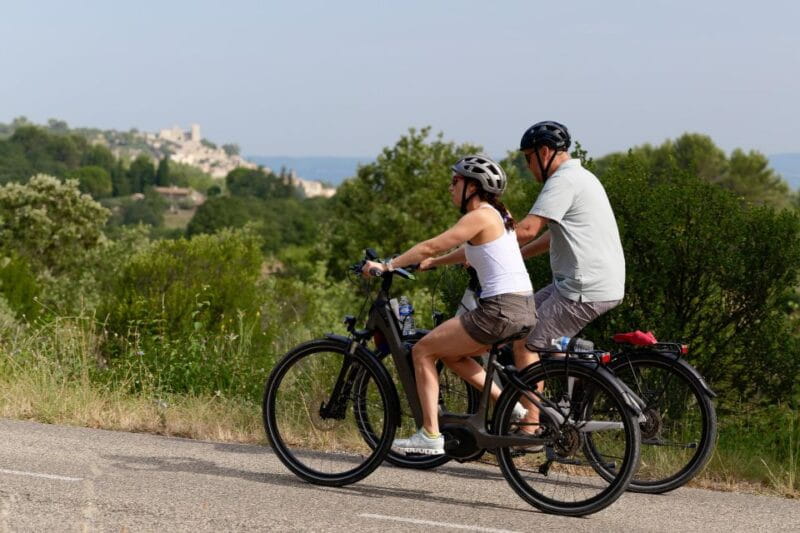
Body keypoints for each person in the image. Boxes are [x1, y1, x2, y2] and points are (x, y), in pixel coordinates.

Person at [363, 154, 536, 455]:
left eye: (455, 180)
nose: (450, 186)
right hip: (523, 307)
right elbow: (469, 252)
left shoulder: (479, 216)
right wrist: (434, 263)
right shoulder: (499, 214)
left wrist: (388, 265)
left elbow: (431, 244)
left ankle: (430, 435)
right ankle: (511, 405)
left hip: (498, 310)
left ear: (473, 186)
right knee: (452, 353)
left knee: (422, 350)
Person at [512, 120, 626, 430]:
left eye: (528, 158)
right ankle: (576, 375)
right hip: (585, 283)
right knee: (521, 320)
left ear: (544, 152)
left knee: (525, 342)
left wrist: (481, 245)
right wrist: (518, 254)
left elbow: (528, 228)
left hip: (582, 288)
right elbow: (553, 234)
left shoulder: (562, 181)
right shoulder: (582, 177)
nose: (528, 167)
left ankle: (529, 426)